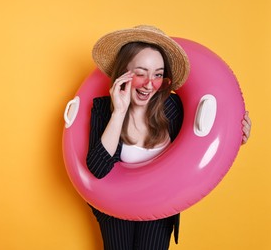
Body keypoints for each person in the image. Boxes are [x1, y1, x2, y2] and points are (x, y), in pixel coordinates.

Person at [86, 25, 252, 250]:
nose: (148, 84)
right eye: (141, 73)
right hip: (115, 210)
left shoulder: (174, 108)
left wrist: (235, 135)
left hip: (160, 208)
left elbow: (206, 140)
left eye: (157, 74)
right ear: (124, 73)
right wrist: (119, 112)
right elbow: (97, 168)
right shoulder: (103, 108)